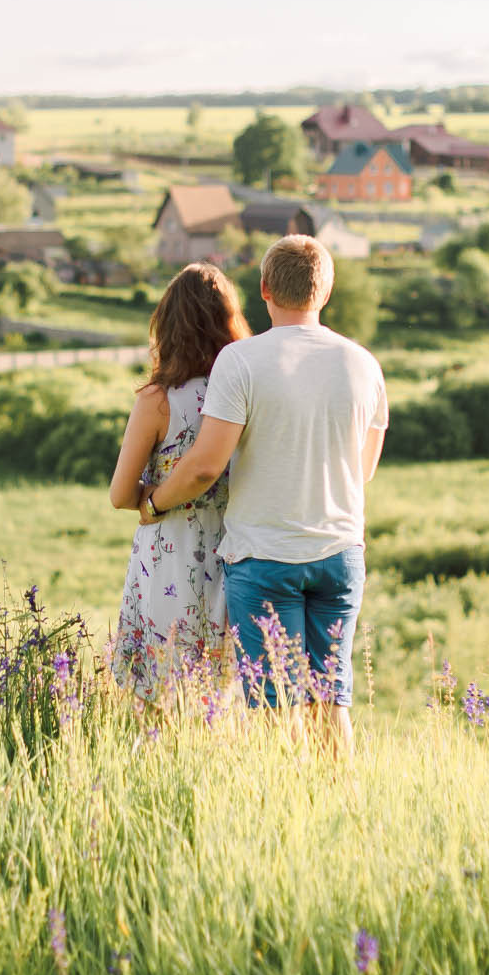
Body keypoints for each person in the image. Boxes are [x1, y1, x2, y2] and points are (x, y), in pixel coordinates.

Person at [140, 236, 388, 755]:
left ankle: (285, 811)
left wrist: (156, 502)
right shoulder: (363, 365)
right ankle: (337, 808)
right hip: (341, 554)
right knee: (331, 698)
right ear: (327, 290)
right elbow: (362, 470)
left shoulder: (241, 361)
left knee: (275, 704)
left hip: (264, 555)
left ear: (265, 289)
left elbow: (206, 466)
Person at [107, 263, 252, 710]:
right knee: (216, 696)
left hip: (167, 554)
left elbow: (119, 494)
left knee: (154, 699)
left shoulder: (158, 400)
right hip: (233, 550)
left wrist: (154, 496)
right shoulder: (248, 390)